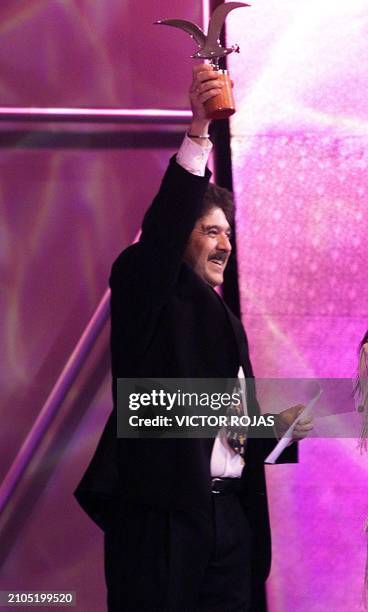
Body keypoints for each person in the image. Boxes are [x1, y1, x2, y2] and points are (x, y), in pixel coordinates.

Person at [75, 64, 313, 612]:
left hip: (228, 521)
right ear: (178, 239)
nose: (225, 245)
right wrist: (199, 133)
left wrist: (303, 423)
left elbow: (229, 425)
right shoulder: (144, 285)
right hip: (164, 525)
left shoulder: (224, 320)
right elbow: (160, 233)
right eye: (210, 231)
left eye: (229, 234)